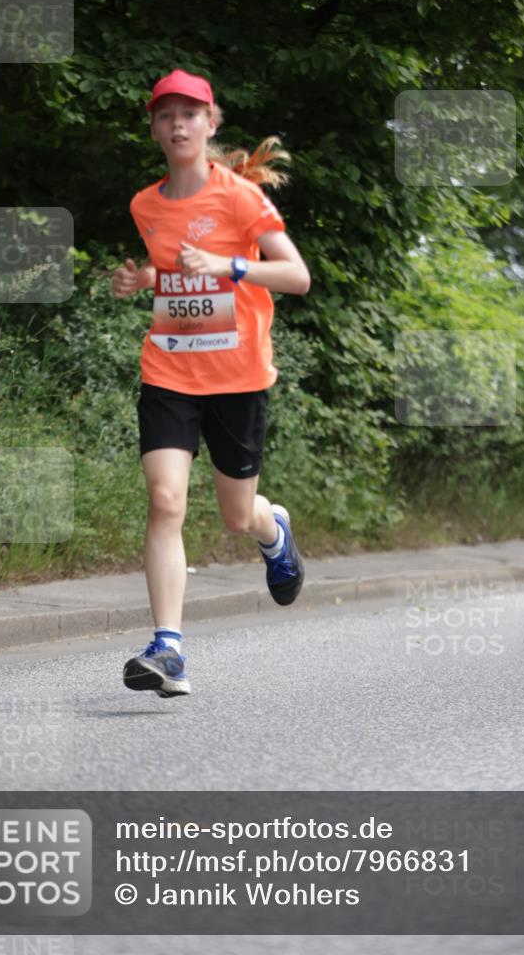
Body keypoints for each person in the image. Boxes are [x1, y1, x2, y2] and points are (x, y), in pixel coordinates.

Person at [112, 69, 310, 698]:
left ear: (210, 122)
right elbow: (175, 270)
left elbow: (297, 276)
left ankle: (271, 529)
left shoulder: (241, 199)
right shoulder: (146, 204)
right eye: (166, 115)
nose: (178, 124)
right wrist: (146, 280)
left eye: (190, 114)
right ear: (153, 128)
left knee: (234, 515)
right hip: (169, 369)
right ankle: (168, 648)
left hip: (237, 377)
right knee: (165, 500)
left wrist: (229, 264)